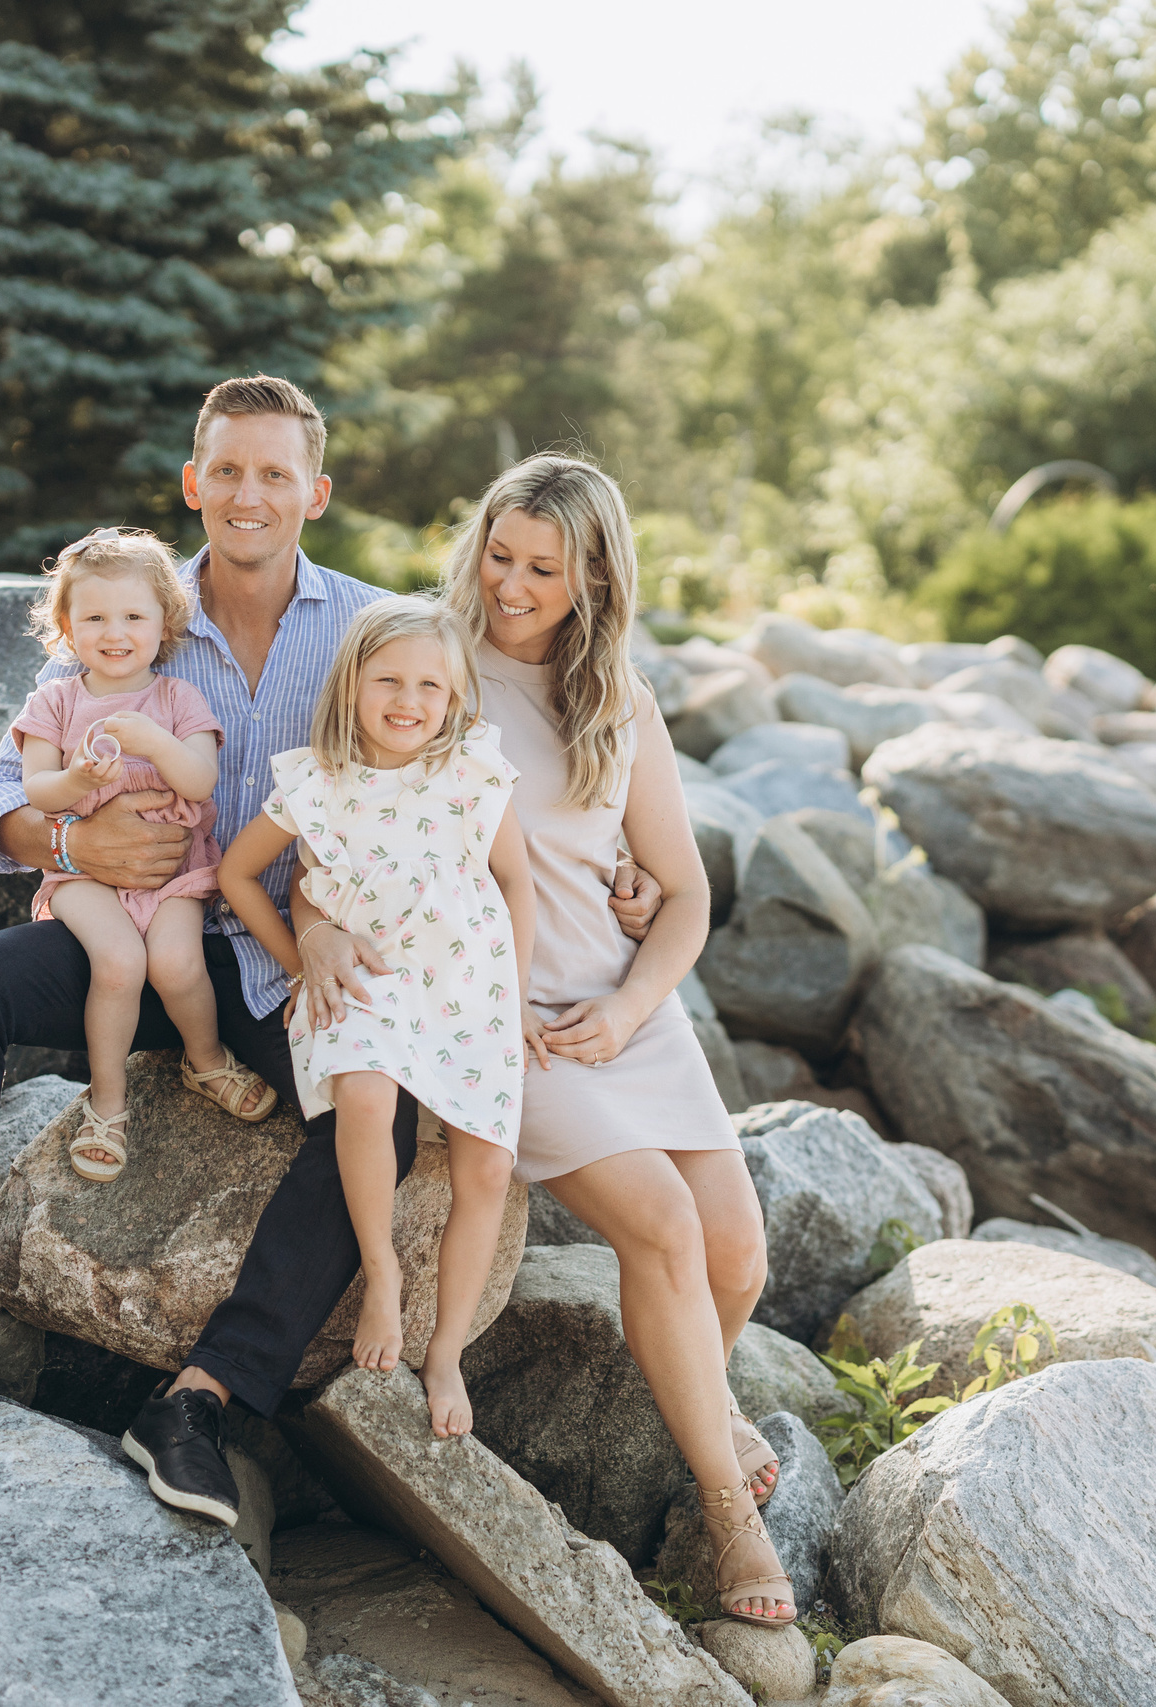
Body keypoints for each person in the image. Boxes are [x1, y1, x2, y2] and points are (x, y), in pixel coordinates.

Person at [0, 377, 664, 1523]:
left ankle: (201, 1399)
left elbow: (481, 762)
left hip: (294, 962)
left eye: (275, 474)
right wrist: (64, 833)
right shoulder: (132, 613)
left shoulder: (367, 628)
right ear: (194, 484)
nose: (250, 494)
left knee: (372, 1130)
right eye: (228, 471)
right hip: (134, 943)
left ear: (315, 493)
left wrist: (616, 864)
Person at [294, 455, 792, 1627]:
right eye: (499, 555)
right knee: (663, 1231)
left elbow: (681, 895)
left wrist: (629, 1000)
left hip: (625, 1011)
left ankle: (700, 1405)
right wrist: (314, 928)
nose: (511, 585)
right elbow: (340, 823)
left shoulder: (619, 698)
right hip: (496, 1012)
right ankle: (727, 1515)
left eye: (542, 568)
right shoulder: (429, 673)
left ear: (594, 579)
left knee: (737, 1259)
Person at [218, 596, 541, 1439]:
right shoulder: (318, 781)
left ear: (455, 695)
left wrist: (518, 996)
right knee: (365, 1095)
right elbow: (238, 875)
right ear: (352, 683)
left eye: (430, 685)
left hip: (472, 985)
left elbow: (517, 884)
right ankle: (382, 1268)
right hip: (374, 978)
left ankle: (445, 1355)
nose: (409, 700)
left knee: (486, 1172)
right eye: (389, 679)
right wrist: (300, 962)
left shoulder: (471, 771)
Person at [9, 527, 276, 1184]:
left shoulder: (177, 700)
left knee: (178, 962)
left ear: (165, 624)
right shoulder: (56, 700)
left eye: (133, 615)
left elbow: (199, 780)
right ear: (68, 627)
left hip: (173, 873)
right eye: (95, 617)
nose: (115, 631)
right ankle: (107, 1101)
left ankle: (205, 1057)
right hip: (83, 874)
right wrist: (77, 783)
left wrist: (153, 740)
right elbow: (36, 787)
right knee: (121, 963)